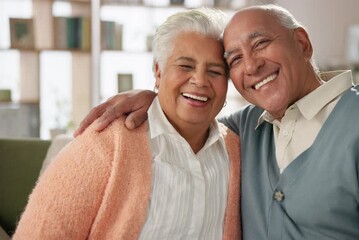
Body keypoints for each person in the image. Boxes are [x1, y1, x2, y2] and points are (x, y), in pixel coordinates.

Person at [74, 4, 359, 239]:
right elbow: (192, 116)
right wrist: (157, 98)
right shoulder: (242, 130)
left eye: (261, 43)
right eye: (233, 59)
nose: (250, 66)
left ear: (302, 43)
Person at [13, 8, 242, 240]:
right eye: (185, 66)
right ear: (158, 72)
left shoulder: (237, 150)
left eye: (215, 71)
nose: (200, 80)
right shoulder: (105, 143)